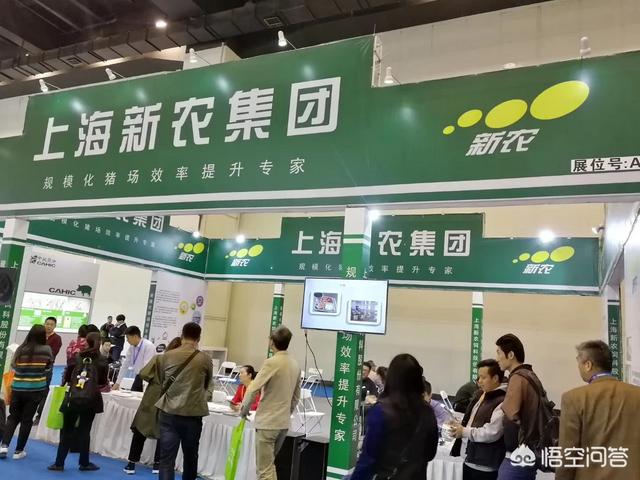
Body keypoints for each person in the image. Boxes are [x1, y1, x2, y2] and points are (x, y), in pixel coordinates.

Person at [556, 340, 640, 480]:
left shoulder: (573, 398)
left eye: (578, 362)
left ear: (588, 365)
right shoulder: (636, 394)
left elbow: (568, 454)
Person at [351, 353, 439, 480]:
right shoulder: (428, 411)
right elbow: (430, 453)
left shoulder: (381, 411)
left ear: (391, 378)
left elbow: (368, 458)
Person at [240, 326, 301, 480]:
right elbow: (296, 397)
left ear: (272, 342)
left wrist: (244, 410)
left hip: (268, 423)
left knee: (264, 471)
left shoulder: (271, 363)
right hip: (283, 423)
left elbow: (253, 388)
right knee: (270, 466)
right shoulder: (295, 364)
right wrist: (286, 413)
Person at [155, 323, 212, 480]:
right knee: (191, 457)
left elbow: (162, 381)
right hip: (193, 414)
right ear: (198, 338)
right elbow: (207, 384)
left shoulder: (166, 356)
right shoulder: (205, 359)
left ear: (182, 336)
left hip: (169, 412)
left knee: (166, 460)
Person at [48, 332, 108, 472]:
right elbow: (103, 381)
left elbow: (68, 376)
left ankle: (59, 463)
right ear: (99, 342)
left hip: (73, 397)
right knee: (85, 431)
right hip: (91, 399)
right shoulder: (102, 360)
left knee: (67, 430)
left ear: (87, 342)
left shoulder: (77, 356)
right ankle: (84, 463)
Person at [123, 337, 182, 475]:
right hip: (170, 398)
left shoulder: (159, 359)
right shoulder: (182, 363)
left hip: (152, 397)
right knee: (164, 432)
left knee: (140, 430)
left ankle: (131, 464)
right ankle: (157, 464)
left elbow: (144, 373)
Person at [495, 333, 546, 480]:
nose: (497, 358)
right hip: (529, 452)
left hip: (517, 455)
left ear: (510, 355)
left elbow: (510, 416)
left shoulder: (517, 378)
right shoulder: (530, 375)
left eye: (499, 353)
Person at [0, 324, 53, 460]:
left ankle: (4, 445)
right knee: (27, 420)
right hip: (35, 389)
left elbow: (14, 366)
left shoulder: (21, 349)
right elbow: (48, 368)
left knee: (13, 417)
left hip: (18, 388)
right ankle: (18, 451)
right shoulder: (46, 350)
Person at [451, 359, 507, 480]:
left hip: (484, 465)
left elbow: (492, 432)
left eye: (483, 377)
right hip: (469, 459)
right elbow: (472, 420)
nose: (479, 381)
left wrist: (464, 431)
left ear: (495, 378)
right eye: (478, 377)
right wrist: (459, 425)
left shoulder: (502, 401)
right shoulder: (481, 394)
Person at [35, 316, 63, 424]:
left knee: (43, 391)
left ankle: (39, 415)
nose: (49, 326)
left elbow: (52, 353)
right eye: (47, 324)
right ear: (44, 324)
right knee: (32, 390)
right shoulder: (39, 336)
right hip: (34, 367)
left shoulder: (57, 338)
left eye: (51, 324)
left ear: (55, 326)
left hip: (46, 368)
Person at [113, 326, 156, 392]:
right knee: (133, 395)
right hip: (139, 376)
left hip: (148, 378)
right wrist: (117, 383)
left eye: (128, 338)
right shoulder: (132, 347)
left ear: (135, 336)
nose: (127, 340)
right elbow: (125, 364)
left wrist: (145, 388)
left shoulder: (148, 346)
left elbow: (147, 367)